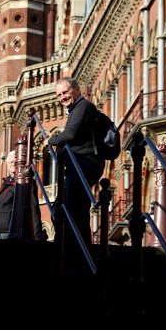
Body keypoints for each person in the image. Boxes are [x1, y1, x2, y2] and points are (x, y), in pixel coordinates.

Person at [45, 77, 105, 248]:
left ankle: (73, 248)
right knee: (70, 206)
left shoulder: (83, 106)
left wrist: (50, 140)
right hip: (81, 164)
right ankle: (75, 246)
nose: (62, 97)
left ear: (76, 90)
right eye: (59, 95)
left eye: (65, 92)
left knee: (70, 206)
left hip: (84, 163)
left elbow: (70, 134)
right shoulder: (76, 110)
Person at [0, 150, 43, 240]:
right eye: (11, 162)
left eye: (15, 162)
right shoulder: (6, 182)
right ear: (7, 164)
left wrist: (38, 236)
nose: (13, 164)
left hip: (13, 230)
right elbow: (7, 207)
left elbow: (33, 208)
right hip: (2, 230)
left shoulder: (25, 181)